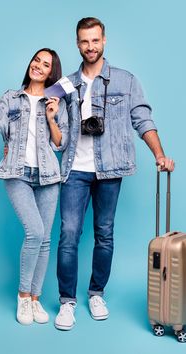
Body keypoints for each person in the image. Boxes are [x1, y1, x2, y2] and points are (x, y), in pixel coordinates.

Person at [54, 17, 175, 331]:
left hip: (110, 168)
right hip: (74, 169)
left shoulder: (126, 80)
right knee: (69, 234)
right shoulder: (66, 84)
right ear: (77, 43)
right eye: (84, 41)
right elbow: (38, 106)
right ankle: (66, 301)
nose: (90, 47)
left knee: (104, 234)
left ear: (104, 40)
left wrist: (159, 155)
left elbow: (143, 120)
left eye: (95, 40)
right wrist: (11, 140)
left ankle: (96, 293)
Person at [0, 48, 68, 326]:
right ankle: (23, 295)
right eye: (36, 60)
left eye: (45, 64)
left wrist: (52, 117)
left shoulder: (56, 102)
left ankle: (36, 299)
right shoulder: (11, 97)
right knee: (35, 232)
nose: (38, 66)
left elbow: (59, 144)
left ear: (51, 72)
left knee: (46, 239)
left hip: (49, 176)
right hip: (17, 173)